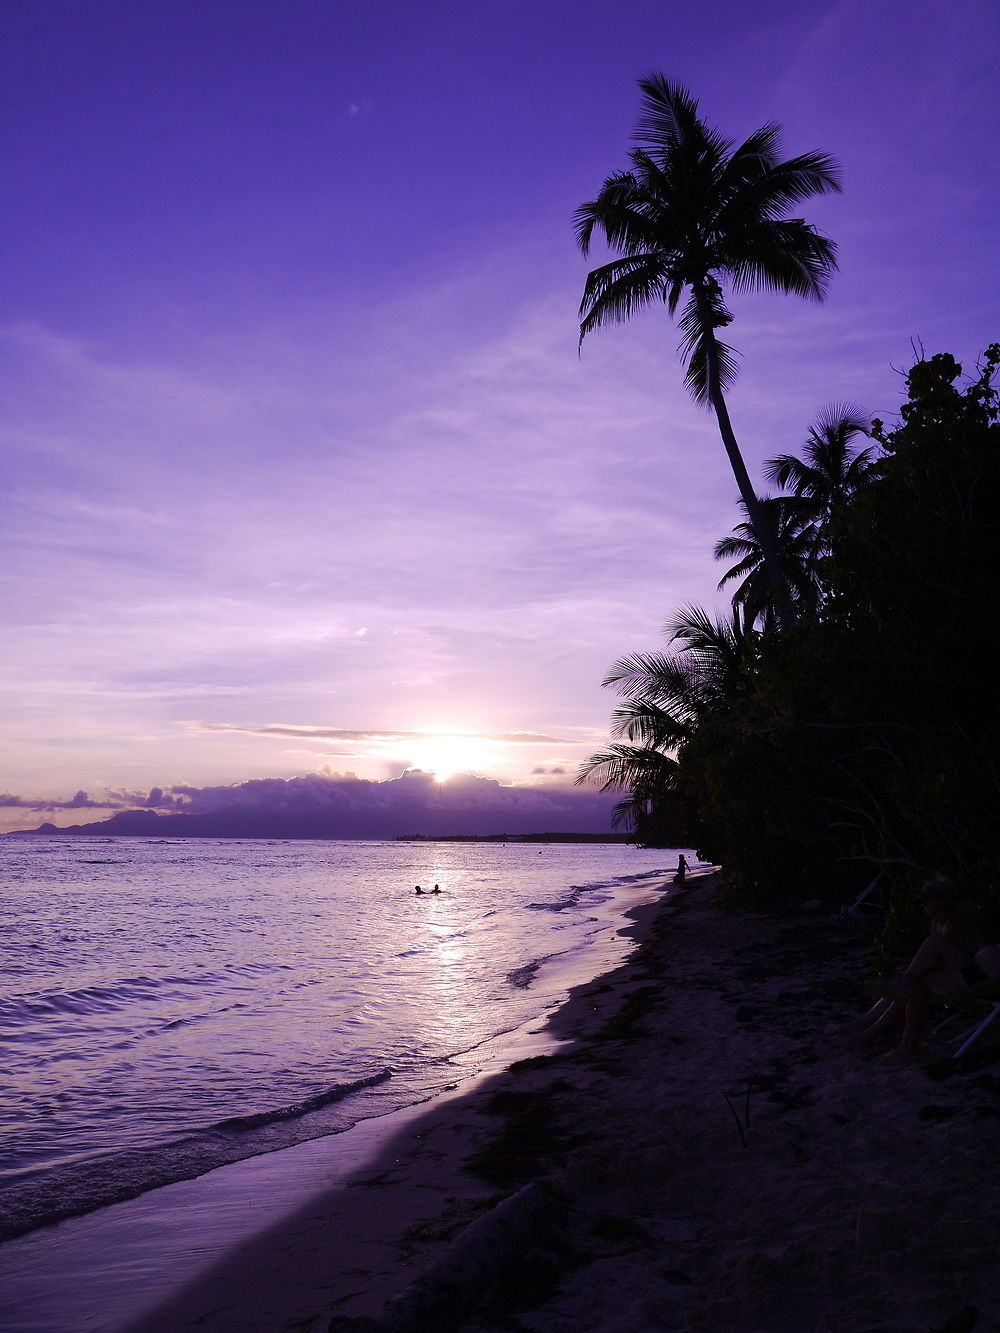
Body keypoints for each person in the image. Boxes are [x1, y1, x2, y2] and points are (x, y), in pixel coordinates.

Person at [849, 876, 984, 1065]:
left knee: (912, 983)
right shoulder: (937, 924)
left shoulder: (955, 926)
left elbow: (949, 964)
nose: (922, 903)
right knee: (912, 981)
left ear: (940, 902)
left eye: (926, 899)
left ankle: (872, 1033)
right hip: (963, 974)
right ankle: (866, 1028)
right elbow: (936, 962)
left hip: (978, 976)